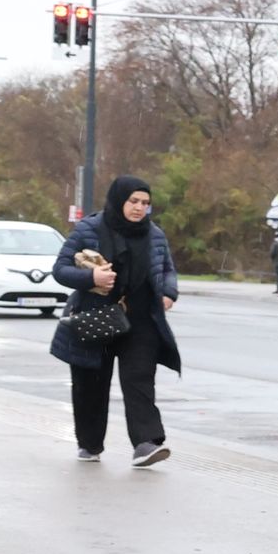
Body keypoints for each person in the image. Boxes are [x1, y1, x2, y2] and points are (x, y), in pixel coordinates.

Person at [52, 175, 183, 468]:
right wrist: (91, 277)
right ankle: (89, 444)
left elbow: (167, 269)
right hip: (96, 315)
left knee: (139, 382)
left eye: (146, 203)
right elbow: (59, 269)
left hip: (141, 320)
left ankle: (146, 444)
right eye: (133, 201)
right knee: (90, 385)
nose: (139, 208)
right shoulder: (89, 229)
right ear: (119, 200)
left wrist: (169, 293)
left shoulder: (155, 235)